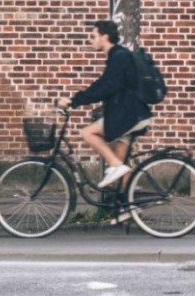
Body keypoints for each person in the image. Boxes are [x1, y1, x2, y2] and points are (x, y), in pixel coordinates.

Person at [57, 20, 153, 189]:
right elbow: (106, 85)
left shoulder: (119, 57)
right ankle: (126, 208)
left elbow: (105, 87)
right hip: (131, 114)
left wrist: (74, 101)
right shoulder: (118, 55)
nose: (90, 40)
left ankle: (116, 167)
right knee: (122, 167)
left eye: (93, 36)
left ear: (105, 37)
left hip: (128, 116)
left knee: (88, 133)